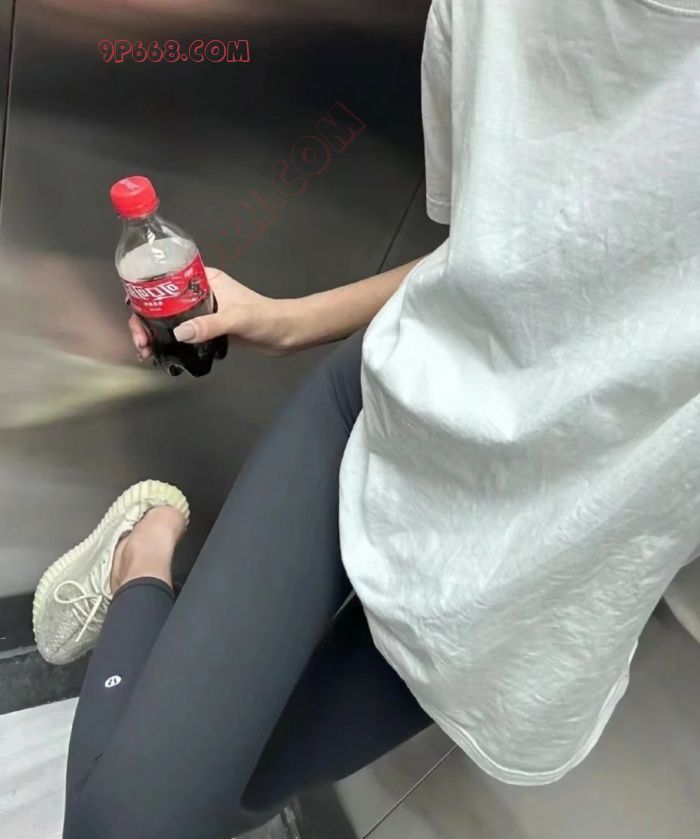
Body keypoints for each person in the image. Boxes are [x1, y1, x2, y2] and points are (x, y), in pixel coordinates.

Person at [33, 0, 699, 836]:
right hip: (393, 409)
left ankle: (142, 555)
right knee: (129, 824)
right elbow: (509, 248)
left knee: (226, 795)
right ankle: (146, 549)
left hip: (553, 553)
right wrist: (291, 320)